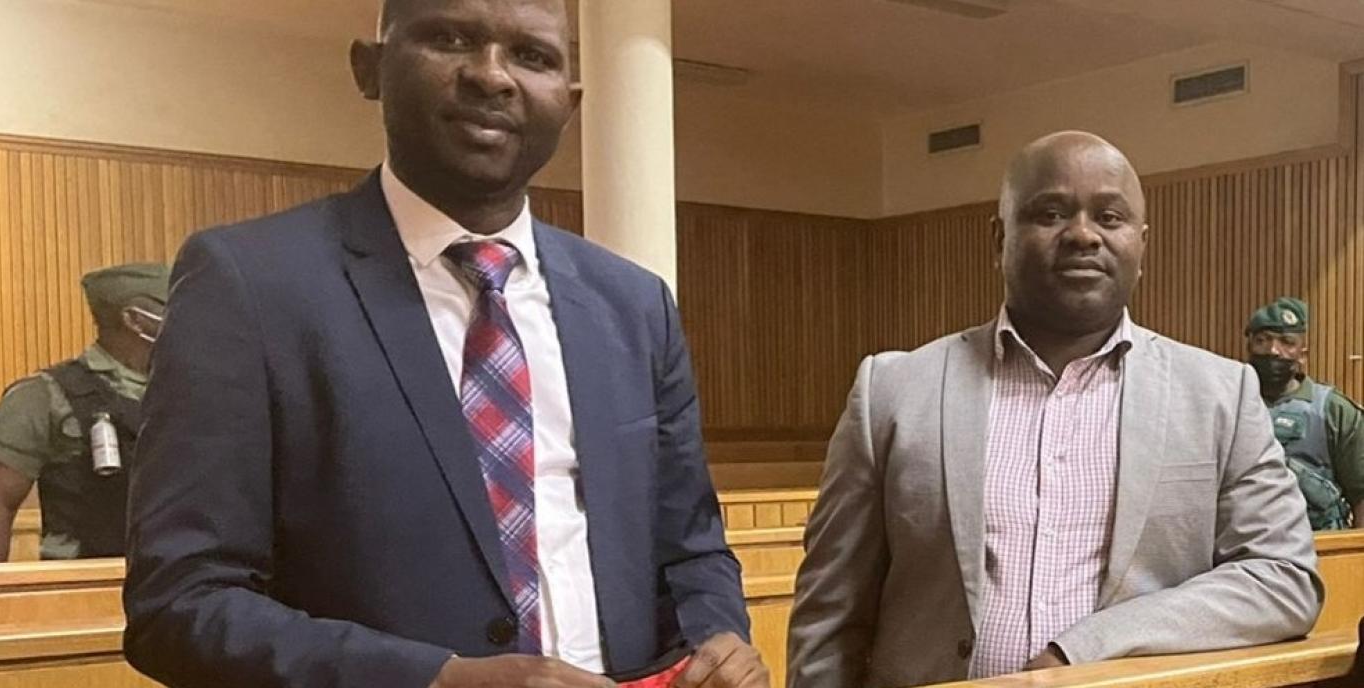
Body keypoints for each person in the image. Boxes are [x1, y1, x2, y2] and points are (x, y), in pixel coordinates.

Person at [121, 1, 767, 687]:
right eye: (450, 38)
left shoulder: (633, 305)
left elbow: (691, 549)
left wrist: (716, 638)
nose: (492, 76)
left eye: (533, 56)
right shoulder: (250, 284)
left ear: (570, 102)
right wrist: (436, 679)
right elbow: (179, 605)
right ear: (369, 69)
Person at [786, 131, 1322, 687]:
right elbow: (832, 614)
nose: (1083, 235)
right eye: (1050, 213)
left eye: (1109, 217)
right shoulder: (893, 390)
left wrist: (1090, 646)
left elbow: (1281, 577)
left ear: (1142, 245)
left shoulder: (1220, 395)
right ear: (999, 239)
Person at [0, 263, 168, 562]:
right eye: (170, 306)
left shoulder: (190, 389)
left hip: (176, 583)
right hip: (81, 583)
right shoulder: (43, 395)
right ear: (135, 320)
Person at [1245, 297, 1364, 530]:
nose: (1273, 351)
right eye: (1262, 340)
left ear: (1302, 354)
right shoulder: (1228, 404)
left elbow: (1361, 493)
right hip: (1242, 548)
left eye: (1287, 342)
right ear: (1249, 348)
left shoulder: (1334, 410)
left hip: (1317, 547)